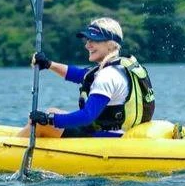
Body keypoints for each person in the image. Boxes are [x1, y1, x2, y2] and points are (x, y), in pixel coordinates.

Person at [18, 17, 155, 138]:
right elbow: (78, 74)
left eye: (94, 40)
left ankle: (12, 146)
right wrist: (48, 64)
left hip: (107, 139)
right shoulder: (119, 68)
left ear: (110, 44)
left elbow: (87, 116)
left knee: (40, 123)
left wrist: (48, 120)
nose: (87, 45)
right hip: (118, 132)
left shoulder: (107, 75)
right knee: (52, 111)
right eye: (88, 40)